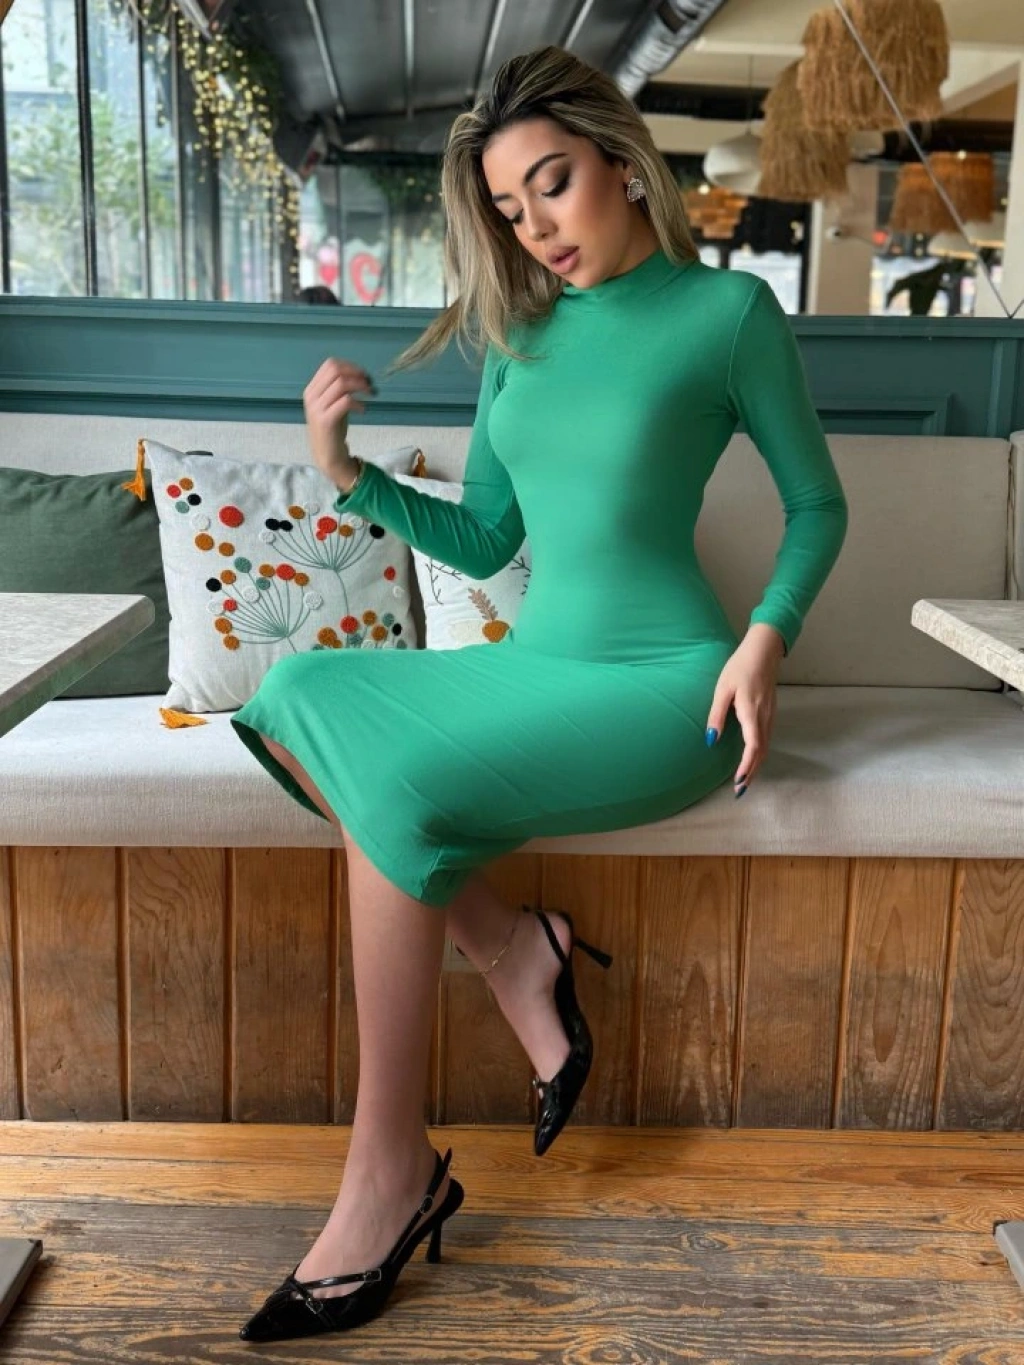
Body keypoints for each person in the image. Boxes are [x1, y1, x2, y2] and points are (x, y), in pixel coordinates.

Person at [232, 43, 849, 1343]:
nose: (538, 227)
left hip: (668, 686)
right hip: (536, 660)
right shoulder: (519, 340)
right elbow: (486, 542)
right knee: (297, 696)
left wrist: (765, 639)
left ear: (621, 162)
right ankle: (516, 953)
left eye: (552, 184)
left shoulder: (728, 314)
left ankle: (390, 1168)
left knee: (396, 780)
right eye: (512, 211)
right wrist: (344, 471)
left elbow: (816, 505)